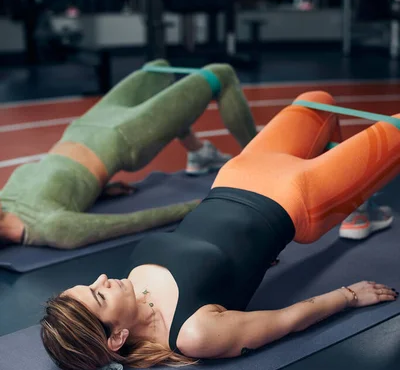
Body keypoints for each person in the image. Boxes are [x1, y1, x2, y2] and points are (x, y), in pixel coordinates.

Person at [41, 90, 400, 370]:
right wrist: (350, 295)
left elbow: (213, 256)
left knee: (319, 100)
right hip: (298, 197)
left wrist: (251, 263)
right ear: (117, 337)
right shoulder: (194, 334)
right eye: (98, 295)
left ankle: (357, 209)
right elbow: (286, 320)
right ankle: (351, 201)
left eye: (90, 284)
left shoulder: (132, 284)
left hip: (236, 175)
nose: (102, 279)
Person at [0, 60, 257, 249]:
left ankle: (199, 153)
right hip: (122, 137)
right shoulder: (51, 227)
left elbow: (56, 185)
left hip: (86, 126)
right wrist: (200, 204)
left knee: (157, 69)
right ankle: (264, 162)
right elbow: (135, 221)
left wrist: (100, 190)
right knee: (220, 75)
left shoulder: (6, 199)